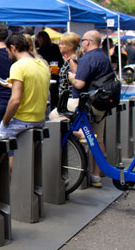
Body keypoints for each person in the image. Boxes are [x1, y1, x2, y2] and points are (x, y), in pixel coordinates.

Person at [68, 30, 113, 188]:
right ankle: (96, 176)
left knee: (54, 118)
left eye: (83, 41)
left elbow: (80, 84)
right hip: (101, 105)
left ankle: (82, 136)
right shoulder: (103, 57)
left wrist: (72, 77)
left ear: (87, 42)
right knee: (99, 139)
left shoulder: (88, 58)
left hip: (85, 104)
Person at [0, 33, 50, 138]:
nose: (8, 56)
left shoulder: (18, 66)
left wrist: (5, 120)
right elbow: (34, 88)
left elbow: (15, 100)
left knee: (0, 148)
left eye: (8, 52)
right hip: (39, 119)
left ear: (13, 47)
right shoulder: (43, 65)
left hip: (22, 119)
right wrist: (11, 86)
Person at [49, 32, 80, 119]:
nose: (60, 46)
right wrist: (59, 72)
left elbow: (76, 78)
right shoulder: (68, 60)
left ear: (70, 47)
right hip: (65, 99)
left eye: (62, 44)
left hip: (70, 99)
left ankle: (80, 132)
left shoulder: (73, 61)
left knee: (53, 117)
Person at [36, 30, 62, 109]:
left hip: (46, 74)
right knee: (55, 94)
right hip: (56, 73)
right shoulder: (55, 47)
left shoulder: (40, 51)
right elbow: (60, 60)